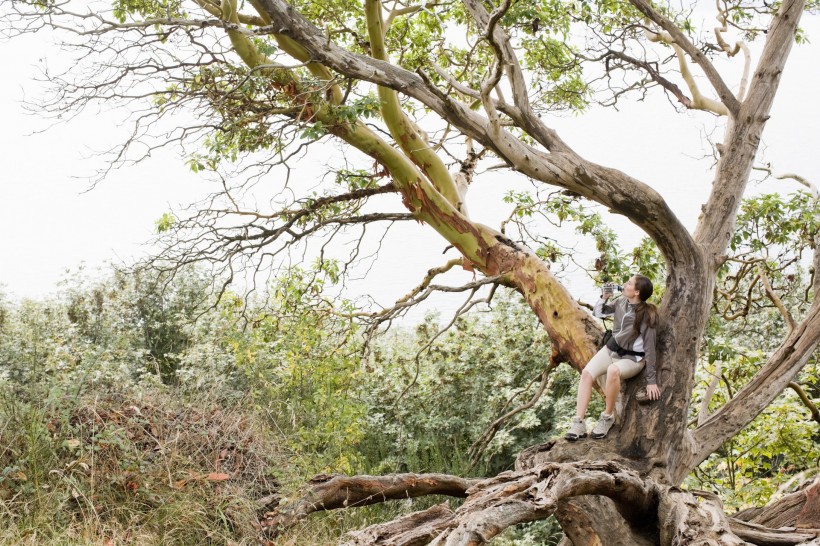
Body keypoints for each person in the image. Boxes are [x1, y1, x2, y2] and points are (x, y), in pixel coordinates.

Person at [565, 275, 659, 441]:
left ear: (636, 292)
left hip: (632, 359)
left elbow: (650, 349)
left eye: (629, 283)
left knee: (612, 370)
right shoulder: (620, 302)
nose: (624, 284)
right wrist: (604, 297)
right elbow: (598, 312)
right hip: (611, 350)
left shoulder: (646, 315)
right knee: (587, 374)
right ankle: (578, 423)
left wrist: (651, 381)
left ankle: (607, 417)